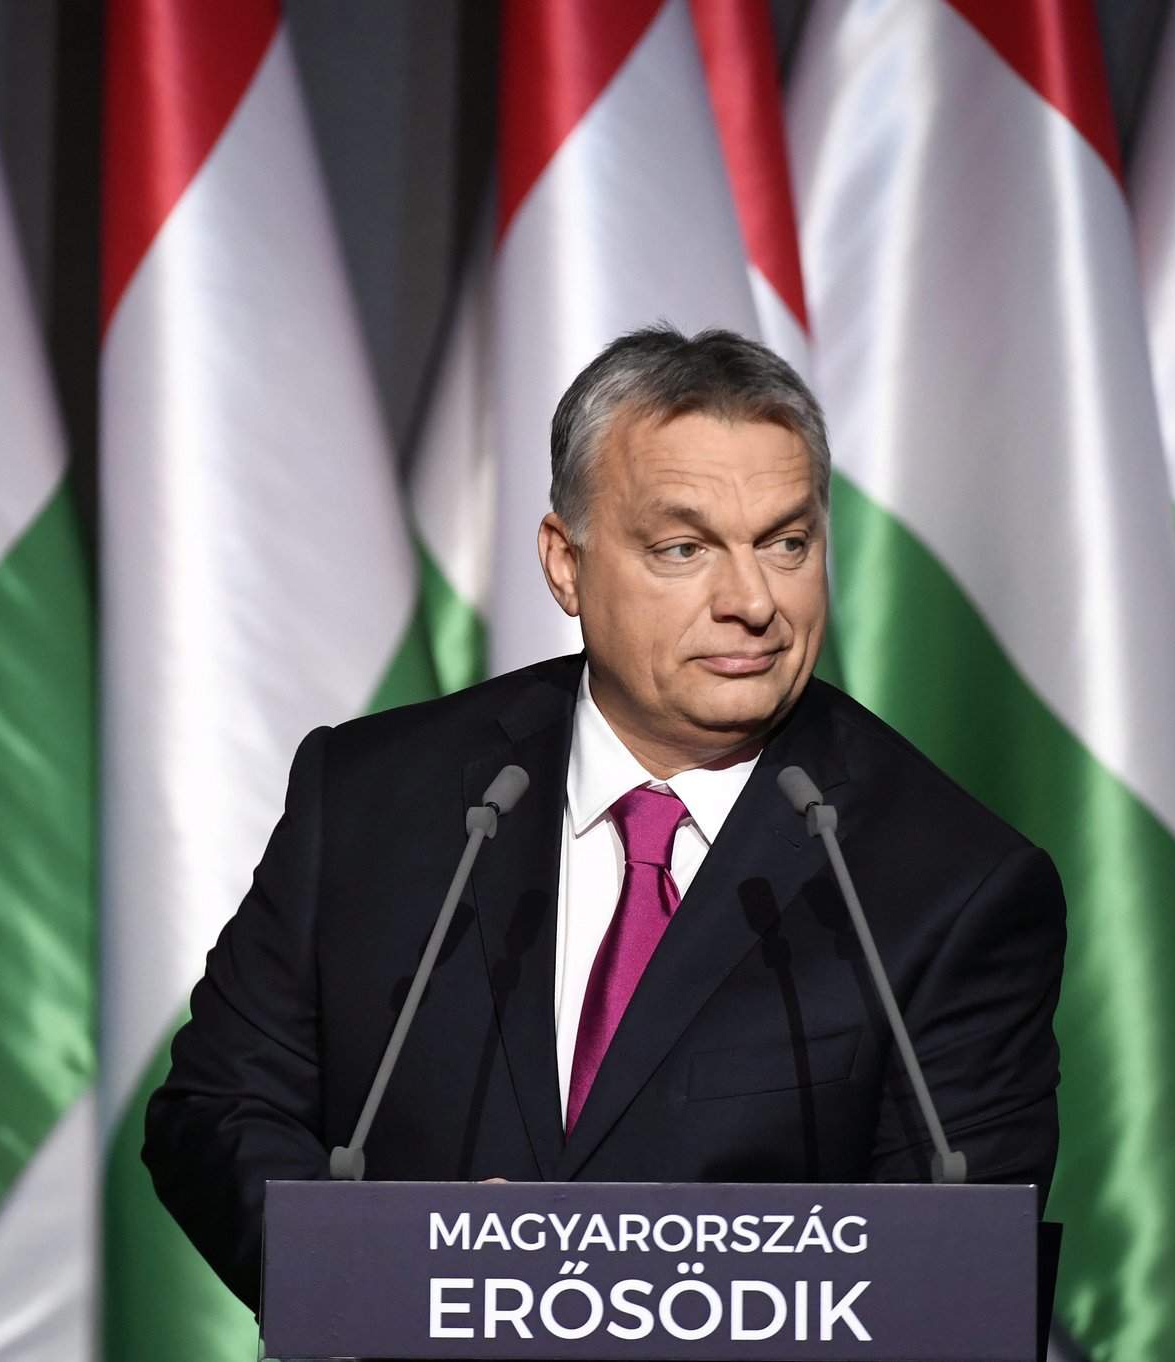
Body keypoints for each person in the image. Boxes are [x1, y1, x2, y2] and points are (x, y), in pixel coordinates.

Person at [145, 325, 1065, 1312]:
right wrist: (402, 1276)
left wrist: (575, 1291)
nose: (752, 601)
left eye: (785, 543)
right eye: (683, 549)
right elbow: (218, 1110)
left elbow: (942, 1281)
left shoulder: (953, 885)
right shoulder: (375, 795)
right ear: (564, 563)